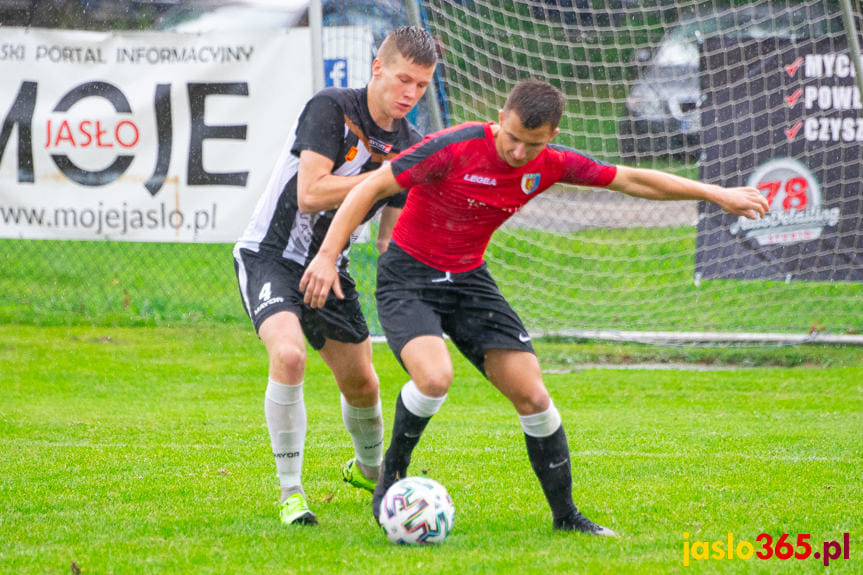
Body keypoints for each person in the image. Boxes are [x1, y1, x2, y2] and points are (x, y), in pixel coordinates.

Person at [299, 79, 769, 534]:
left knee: (534, 396)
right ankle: (389, 482)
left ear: (552, 138)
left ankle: (566, 516)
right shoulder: (454, 145)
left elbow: (631, 179)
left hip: (468, 279)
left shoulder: (553, 163)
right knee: (435, 378)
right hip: (410, 277)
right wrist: (325, 257)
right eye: (513, 138)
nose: (519, 152)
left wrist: (716, 194)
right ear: (501, 118)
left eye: (533, 144)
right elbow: (369, 187)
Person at [232, 26, 437, 526]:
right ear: (377, 69)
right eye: (403, 80)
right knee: (289, 354)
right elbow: (310, 192)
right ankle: (291, 494)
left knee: (364, 384)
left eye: (421, 86)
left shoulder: (409, 142)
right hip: (269, 257)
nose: (409, 94)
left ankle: (370, 472)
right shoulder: (331, 107)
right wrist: (389, 174)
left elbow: (390, 236)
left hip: (332, 268)